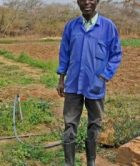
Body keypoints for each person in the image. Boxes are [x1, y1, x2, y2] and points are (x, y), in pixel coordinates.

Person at [56, 0, 122, 165]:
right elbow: (64, 53)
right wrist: (61, 78)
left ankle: (91, 161)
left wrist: (104, 76)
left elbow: (116, 55)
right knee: (70, 123)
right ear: (77, 2)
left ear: (97, 1)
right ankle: (69, 163)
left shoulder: (108, 27)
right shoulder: (71, 27)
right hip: (72, 85)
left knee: (95, 124)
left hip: (96, 85)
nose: (87, 2)